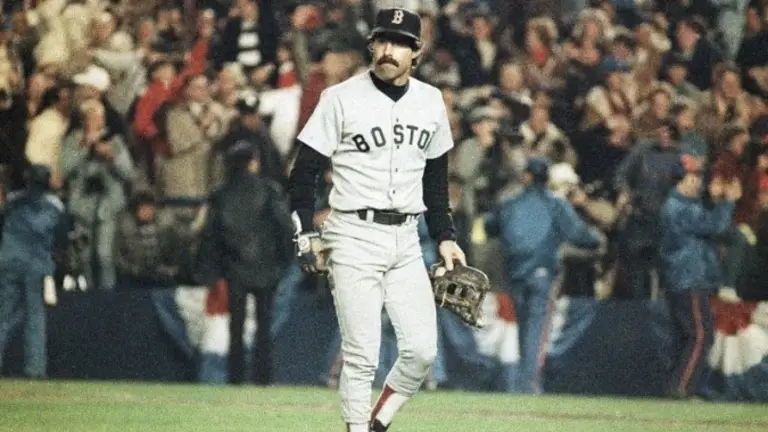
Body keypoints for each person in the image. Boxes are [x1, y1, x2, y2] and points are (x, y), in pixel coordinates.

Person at [287, 7, 465, 432]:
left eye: (400, 43)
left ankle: (378, 420)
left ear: (416, 52)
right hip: (352, 233)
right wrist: (304, 230)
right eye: (383, 40)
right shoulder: (340, 98)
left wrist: (445, 236)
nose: (389, 50)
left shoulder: (430, 101)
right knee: (362, 353)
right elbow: (304, 171)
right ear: (371, 45)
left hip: (406, 237)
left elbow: (435, 180)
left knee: (421, 351)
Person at [484, 157, 603, 393]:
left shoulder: (510, 202)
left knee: (524, 327)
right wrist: (597, 238)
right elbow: (577, 234)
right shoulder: (555, 204)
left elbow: (489, 227)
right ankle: (528, 384)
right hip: (542, 272)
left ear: (527, 176)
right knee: (536, 329)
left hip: (515, 272)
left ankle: (523, 382)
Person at [196, 141, 293, 386]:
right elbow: (284, 226)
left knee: (236, 324)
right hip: (266, 267)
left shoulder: (221, 194)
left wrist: (211, 271)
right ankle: (263, 377)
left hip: (234, 267)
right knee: (264, 324)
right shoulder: (268, 190)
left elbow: (210, 236)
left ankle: (235, 377)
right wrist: (283, 260)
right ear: (252, 162)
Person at [658, 158, 741, 399]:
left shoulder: (681, 205)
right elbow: (715, 226)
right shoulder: (678, 207)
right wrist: (728, 202)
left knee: (687, 336)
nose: (698, 182)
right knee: (701, 335)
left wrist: (716, 201)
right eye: (693, 177)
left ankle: (677, 387)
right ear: (680, 180)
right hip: (688, 278)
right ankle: (681, 388)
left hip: (684, 278)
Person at [0, 165, 67, 378]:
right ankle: (35, 369)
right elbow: (62, 238)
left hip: (9, 262)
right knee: (35, 318)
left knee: (3, 315)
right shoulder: (55, 206)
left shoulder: (13, 201)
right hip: (36, 266)